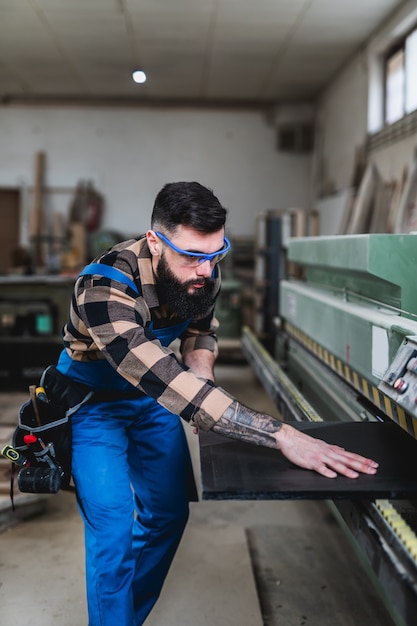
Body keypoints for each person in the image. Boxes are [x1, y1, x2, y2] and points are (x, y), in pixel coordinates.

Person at [56, 181, 378, 625]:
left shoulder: (204, 268)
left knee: (168, 515)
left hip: (153, 403)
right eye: (192, 256)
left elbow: (199, 330)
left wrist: (202, 367)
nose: (206, 270)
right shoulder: (102, 288)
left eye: (216, 254)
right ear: (155, 241)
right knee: (112, 533)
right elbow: (159, 375)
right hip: (94, 405)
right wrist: (280, 433)